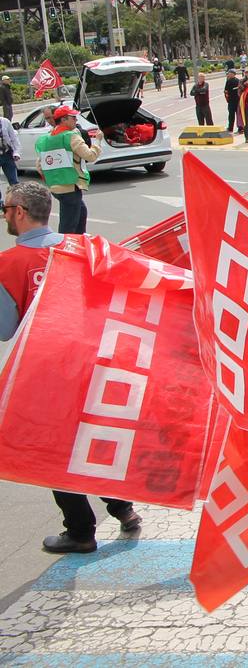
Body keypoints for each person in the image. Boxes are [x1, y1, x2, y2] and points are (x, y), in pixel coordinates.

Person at [0, 182, 143, 553]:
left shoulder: (8, 264)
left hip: (47, 372)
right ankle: (123, 508)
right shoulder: (82, 248)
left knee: (54, 450)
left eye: (5, 208)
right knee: (91, 438)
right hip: (95, 362)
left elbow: (5, 329)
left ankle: (80, 530)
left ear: (18, 211)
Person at [36, 105, 101, 234]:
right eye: (73, 118)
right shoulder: (71, 136)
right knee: (68, 227)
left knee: (81, 214)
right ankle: (66, 250)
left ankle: (80, 242)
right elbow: (90, 156)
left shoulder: (45, 139)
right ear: (64, 120)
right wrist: (98, 141)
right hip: (70, 186)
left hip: (56, 187)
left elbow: (39, 166)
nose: (76, 120)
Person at [0, 112, 20, 186]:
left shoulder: (5, 122)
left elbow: (14, 138)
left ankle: (16, 196)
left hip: (7, 154)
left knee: (14, 182)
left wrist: (16, 152)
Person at [223, 68, 242, 134]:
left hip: (235, 100)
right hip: (232, 100)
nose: (229, 75)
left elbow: (226, 91)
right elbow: (226, 91)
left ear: (234, 74)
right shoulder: (230, 81)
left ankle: (239, 128)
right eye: (229, 73)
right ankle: (232, 128)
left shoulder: (236, 81)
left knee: (237, 115)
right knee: (232, 115)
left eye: (230, 73)